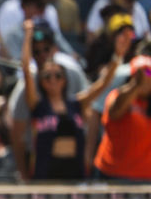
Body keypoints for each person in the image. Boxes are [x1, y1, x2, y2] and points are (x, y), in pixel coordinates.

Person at [18, 19, 122, 180]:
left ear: (65, 79)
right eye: (47, 76)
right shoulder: (37, 105)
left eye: (58, 75)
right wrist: (28, 35)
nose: (53, 80)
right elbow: (26, 68)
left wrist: (118, 56)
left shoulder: (77, 104)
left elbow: (102, 84)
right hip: (45, 173)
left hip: (75, 171)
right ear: (41, 80)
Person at [94, 56, 151, 181]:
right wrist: (136, 85)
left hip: (146, 176)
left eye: (148, 72)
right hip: (112, 173)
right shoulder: (117, 95)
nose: (146, 77)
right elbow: (115, 112)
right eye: (139, 72)